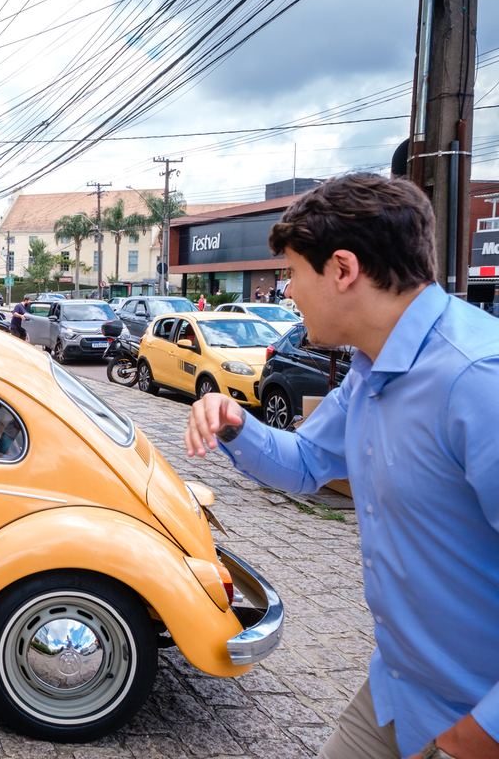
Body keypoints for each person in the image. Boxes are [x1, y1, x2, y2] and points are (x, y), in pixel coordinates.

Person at [183, 174, 499, 759]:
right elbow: (306, 464)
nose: (288, 292)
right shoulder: (371, 368)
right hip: (403, 686)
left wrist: (485, 731)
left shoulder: (478, 378)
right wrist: (234, 422)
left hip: (479, 715)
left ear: (343, 269)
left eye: (293, 273)